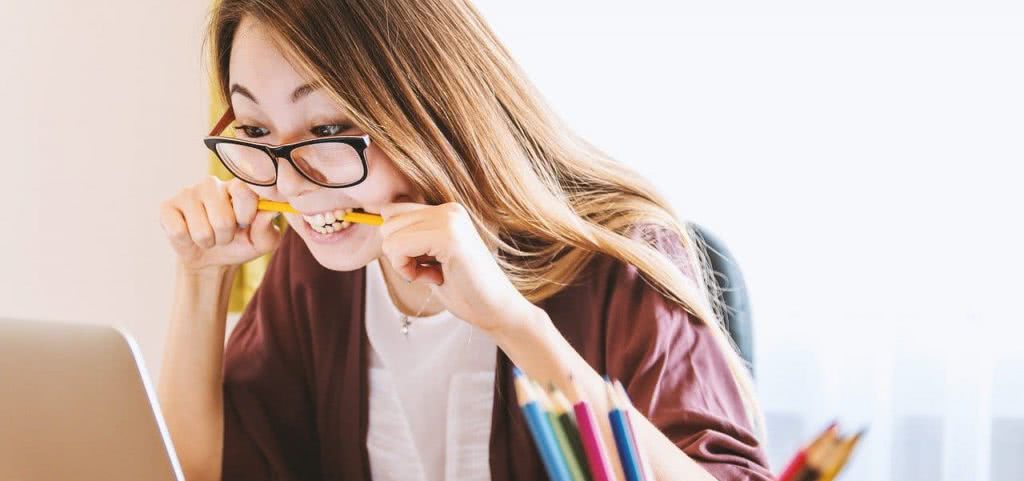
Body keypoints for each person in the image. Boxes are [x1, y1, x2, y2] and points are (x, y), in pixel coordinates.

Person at [157, 1, 772, 480]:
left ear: (428, 107)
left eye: (327, 127)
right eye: (259, 129)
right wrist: (202, 278)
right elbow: (204, 472)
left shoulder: (617, 259)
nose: (290, 184)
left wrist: (513, 324)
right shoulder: (318, 265)